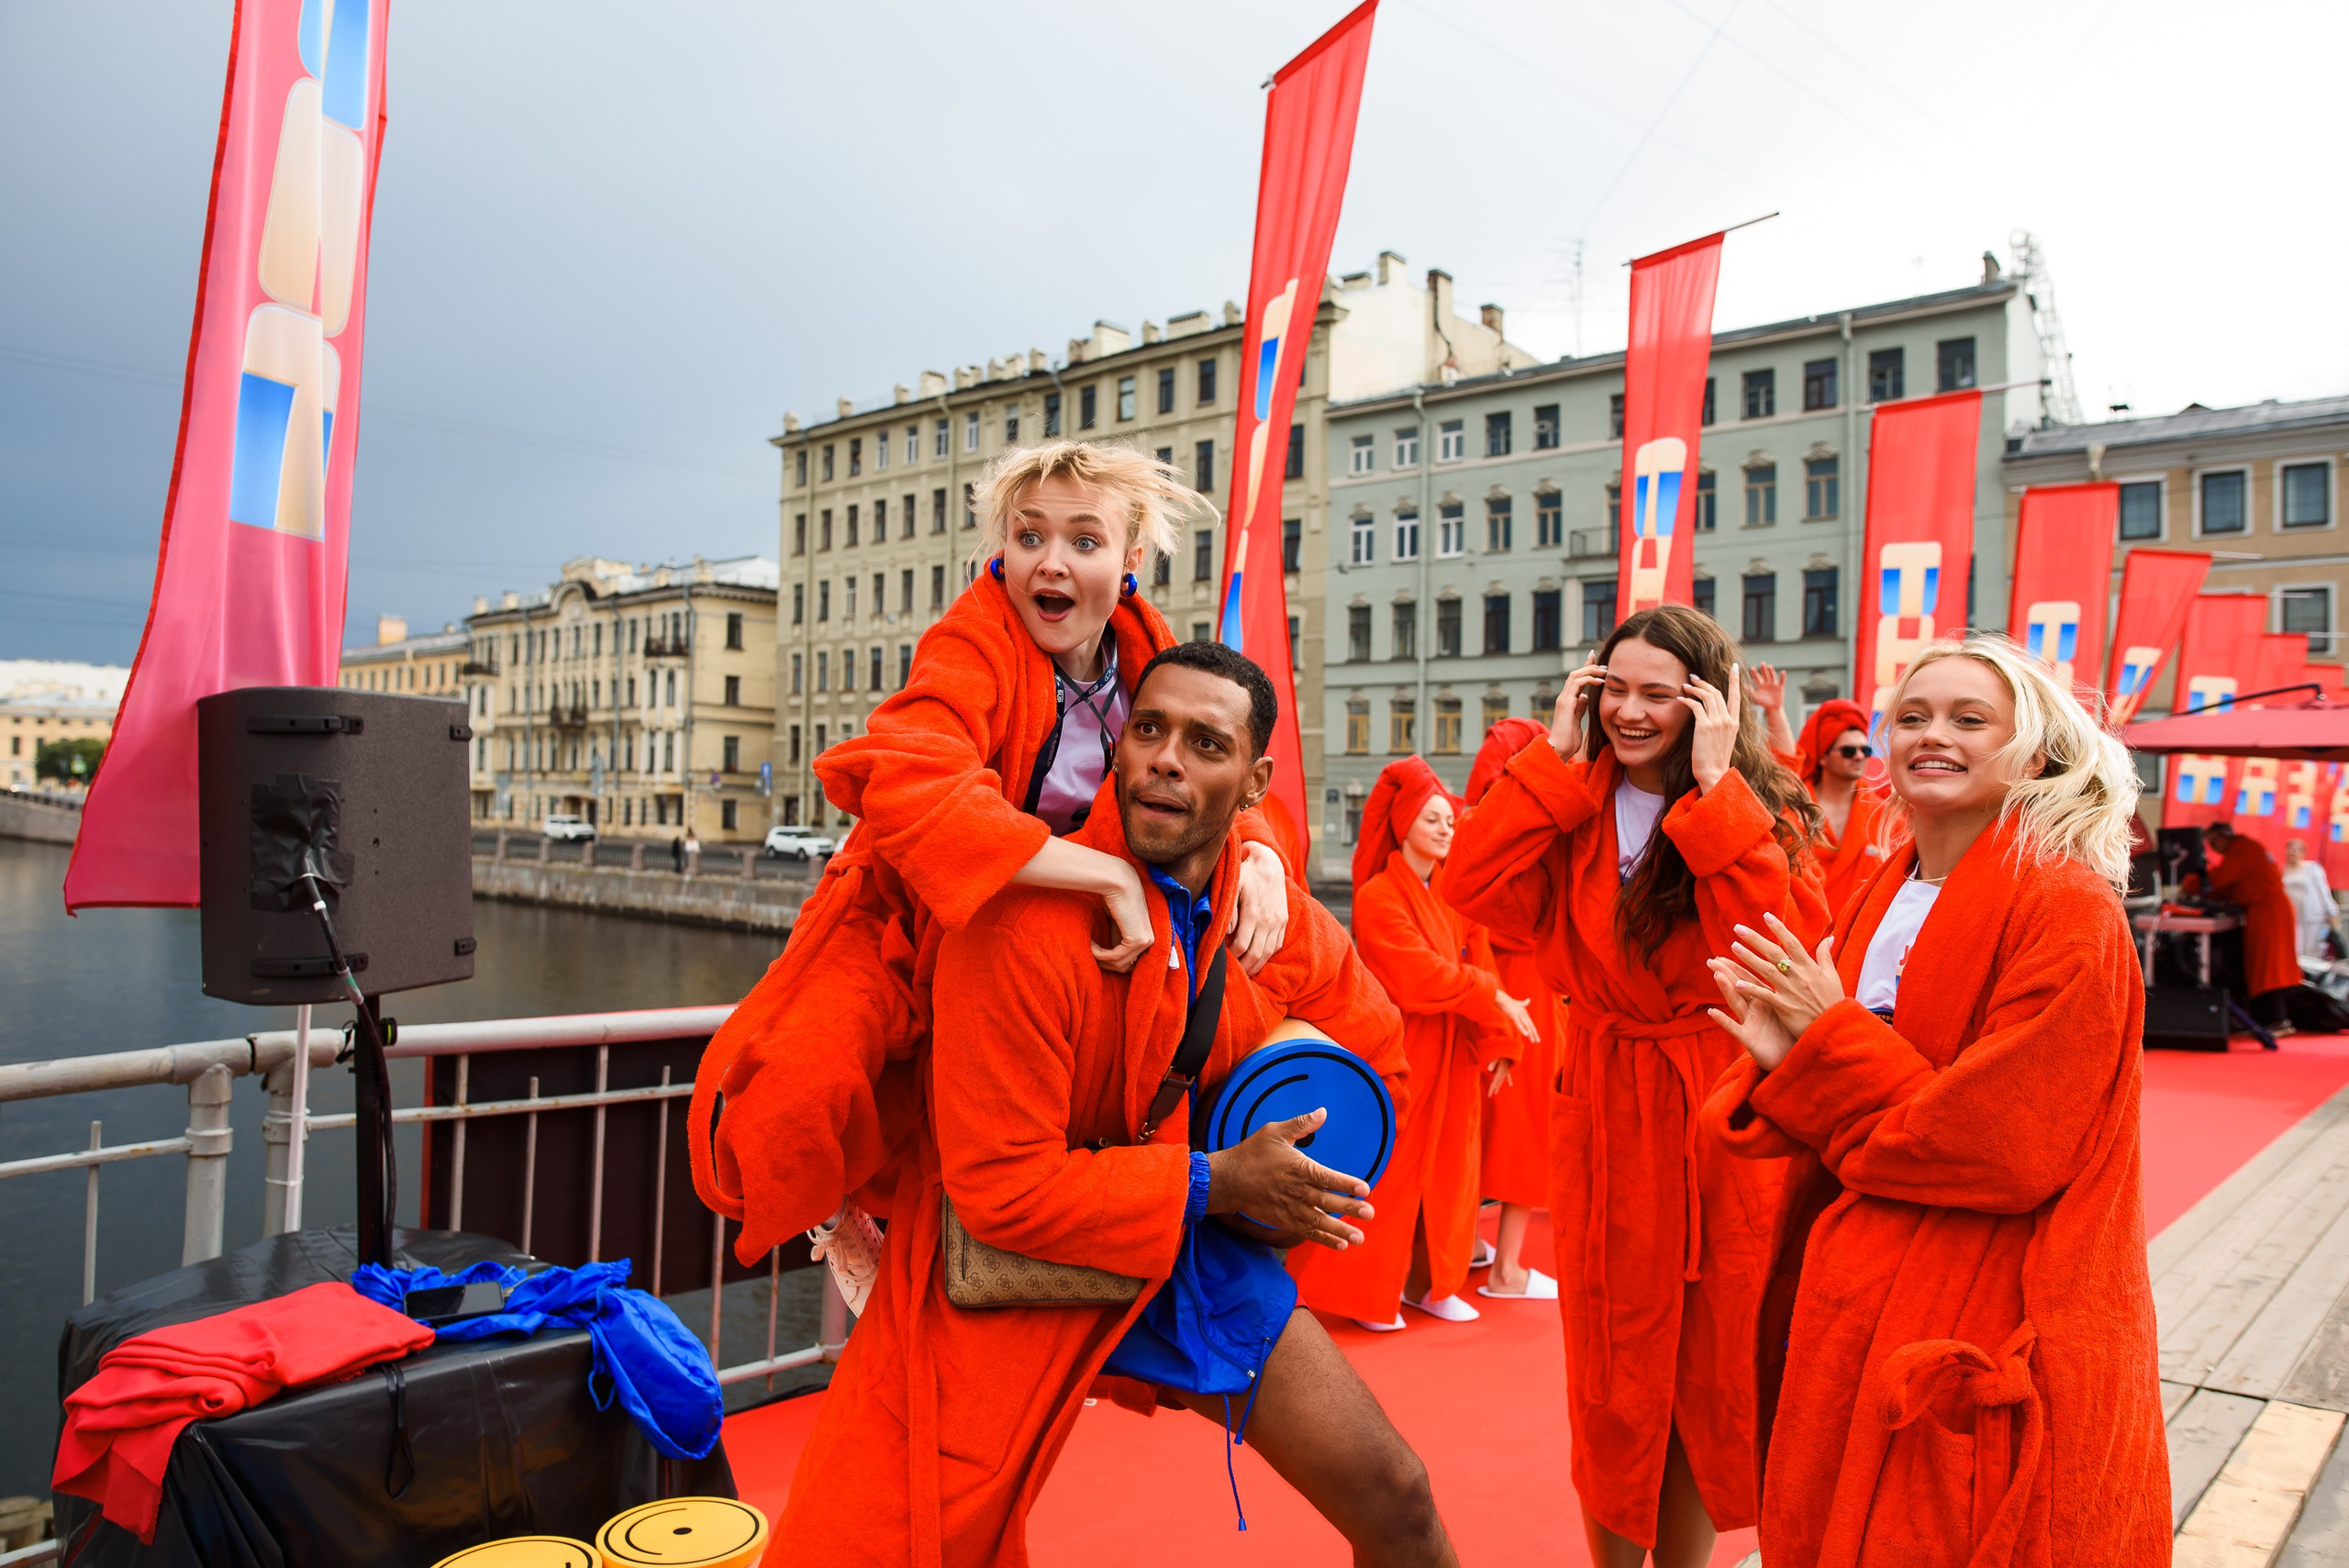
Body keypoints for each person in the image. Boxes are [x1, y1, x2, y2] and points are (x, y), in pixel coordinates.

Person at [776, 644, 1449, 1568]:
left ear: (1253, 783)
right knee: (901, 1541)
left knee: (1399, 1498)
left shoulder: (1256, 910)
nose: (1166, 758)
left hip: (1178, 1235)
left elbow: (1374, 1043)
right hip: (1016, 1265)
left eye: (1204, 742)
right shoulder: (1015, 922)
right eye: (1148, 728)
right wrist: (1219, 1176)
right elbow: (1001, 1191)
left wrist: (1291, 1139)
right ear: (1117, 743)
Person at [690, 442, 1297, 1270]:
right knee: (794, 1085)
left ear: (1131, 559)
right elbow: (911, 786)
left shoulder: (1148, 648)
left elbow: (1212, 759)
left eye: (1084, 541)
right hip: (899, 906)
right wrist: (1106, 873)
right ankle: (836, 1223)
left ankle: (1125, 1233)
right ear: (1002, 549)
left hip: (1024, 922)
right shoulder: (972, 640)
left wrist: (1260, 852)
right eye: (1029, 536)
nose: (1051, 562)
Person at [1698, 634, 2168, 1566]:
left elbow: (2002, 1141)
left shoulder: (2067, 908)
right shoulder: (1883, 885)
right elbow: (1848, 1079)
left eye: (1967, 719)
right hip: (1855, 1289)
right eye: (1910, 717)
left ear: (2033, 754)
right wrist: (1783, 1063)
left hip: (1981, 1297)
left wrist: (1819, 1050)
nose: (1930, 735)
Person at [1444, 605, 1827, 1567]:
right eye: (1614, 688)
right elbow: (1470, 888)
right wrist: (1552, 763)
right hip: (1608, 1100)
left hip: (1716, 1106)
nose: (1631, 710)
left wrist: (1711, 788)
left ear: (1709, 700)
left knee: (1708, 1366)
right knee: (1612, 1370)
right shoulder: (1569, 804)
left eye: (1660, 692)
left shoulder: (1755, 805)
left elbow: (1781, 938)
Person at [1290, 756, 1537, 1331]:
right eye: (1432, 819)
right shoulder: (1378, 896)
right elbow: (1417, 978)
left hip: (1454, 1054)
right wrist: (1490, 998)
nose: (1446, 827)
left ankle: (1435, 1284)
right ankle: (1369, 1292)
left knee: (1454, 1173)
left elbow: (1485, 964)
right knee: (1391, 1175)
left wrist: (1500, 1040)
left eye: (1449, 818)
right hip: (1398, 1051)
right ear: (1403, 826)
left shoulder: (1456, 896)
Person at [1460, 716, 1567, 1301]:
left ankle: (1474, 1248)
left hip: (1488, 974)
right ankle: (1508, 1269)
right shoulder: (1536, 822)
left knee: (1486, 1120)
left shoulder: (1477, 824)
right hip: (1532, 984)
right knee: (1528, 1126)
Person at [1791, 697, 1892, 917]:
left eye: (1865, 750)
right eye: (1848, 751)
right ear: (1823, 757)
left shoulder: (1885, 815)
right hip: (1801, 934)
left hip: (1858, 938)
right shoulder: (1793, 808)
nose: (1858, 756)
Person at [2205, 821, 2304, 1031]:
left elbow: (2219, 880)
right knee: (2268, 964)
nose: (2213, 848)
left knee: (2269, 965)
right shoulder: (2246, 848)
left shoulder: (2242, 850)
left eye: (2214, 842)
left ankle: (2275, 1020)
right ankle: (2272, 1019)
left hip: (2267, 911)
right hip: (2267, 909)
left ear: (2224, 837)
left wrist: (2193, 882)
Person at [2284, 838, 2338, 960]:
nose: (2293, 852)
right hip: (2292, 915)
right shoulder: (2283, 870)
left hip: (2312, 915)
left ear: (2303, 852)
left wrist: (2332, 911)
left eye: (2297, 850)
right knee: (2294, 948)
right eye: (2290, 849)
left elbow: (2323, 890)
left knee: (2311, 948)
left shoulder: (2312, 868)